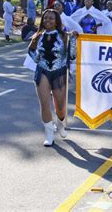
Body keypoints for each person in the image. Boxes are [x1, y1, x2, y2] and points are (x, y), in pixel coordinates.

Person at [28, 9, 78, 146]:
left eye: (51, 19)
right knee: (44, 104)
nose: (47, 21)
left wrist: (73, 39)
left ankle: (61, 123)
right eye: (45, 18)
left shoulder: (64, 36)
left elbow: (73, 56)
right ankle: (49, 135)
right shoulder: (38, 36)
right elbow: (31, 50)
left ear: (57, 21)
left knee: (60, 106)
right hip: (42, 72)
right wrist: (37, 60)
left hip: (59, 72)